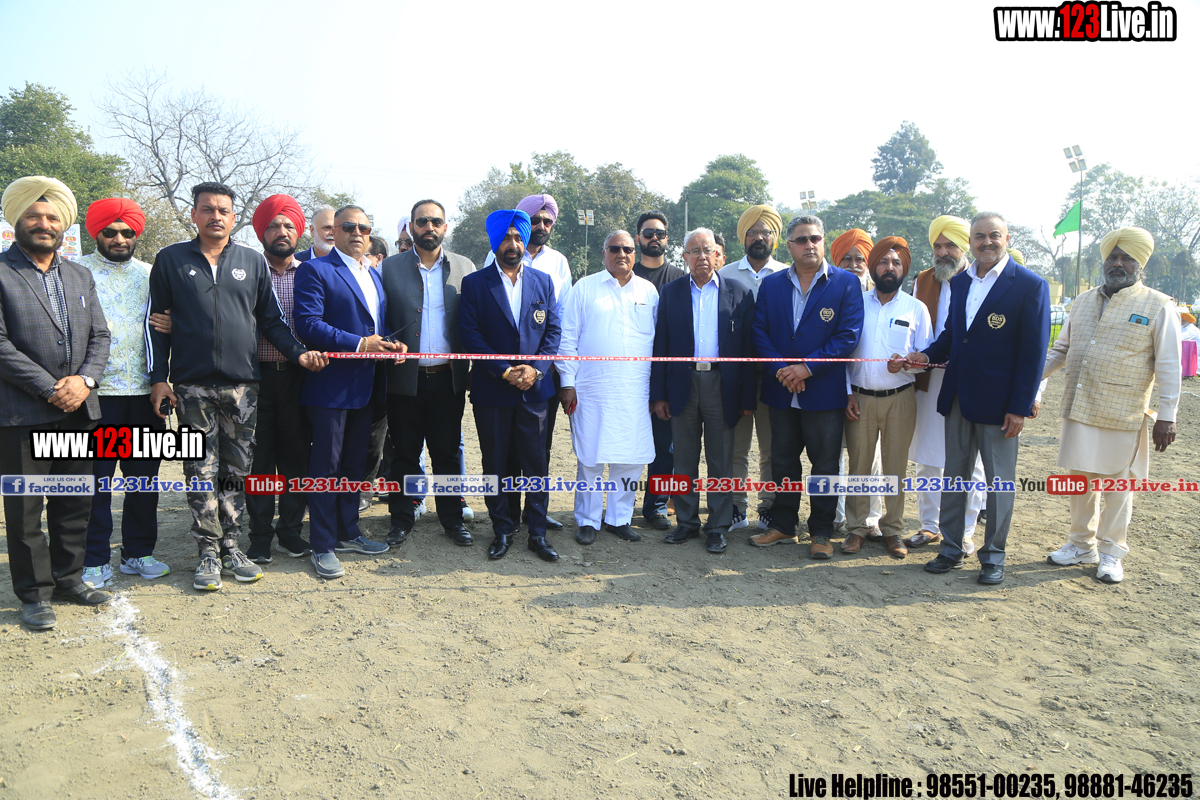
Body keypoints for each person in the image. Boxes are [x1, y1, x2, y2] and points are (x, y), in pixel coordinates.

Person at [146, 182, 328, 592]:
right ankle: (207, 553)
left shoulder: (251, 261)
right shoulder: (171, 259)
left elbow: (272, 321)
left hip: (243, 388)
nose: (215, 216)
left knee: (237, 472)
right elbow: (156, 324)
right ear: (194, 214)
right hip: (191, 388)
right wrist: (159, 378)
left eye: (223, 210)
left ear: (234, 217)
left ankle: (231, 545)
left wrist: (299, 354)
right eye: (207, 209)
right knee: (199, 471)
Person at [894, 212, 1049, 585]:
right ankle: (951, 549)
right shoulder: (961, 282)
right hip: (959, 398)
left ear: (1007, 239)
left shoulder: (1029, 285)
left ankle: (993, 556)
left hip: (1000, 406)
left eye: (994, 235)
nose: (986, 242)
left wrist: (1019, 407)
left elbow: (1034, 354)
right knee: (955, 478)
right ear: (972, 242)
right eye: (980, 236)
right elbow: (952, 335)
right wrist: (924, 356)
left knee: (998, 484)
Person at [1, 176, 112, 630]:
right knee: (25, 511)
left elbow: (100, 335)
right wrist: (50, 388)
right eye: (34, 216)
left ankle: (69, 580)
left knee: (74, 502)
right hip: (22, 413)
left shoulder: (79, 274)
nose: (44, 224)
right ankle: (34, 595)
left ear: (63, 225)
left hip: (79, 410)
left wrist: (85, 380)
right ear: (16, 221)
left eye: (51, 217)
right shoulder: (2, 272)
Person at [1041, 227, 1179, 584]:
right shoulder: (1082, 301)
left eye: (1127, 258)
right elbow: (1060, 350)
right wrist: (1023, 382)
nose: (1118, 263)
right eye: (1113, 257)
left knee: (1119, 485)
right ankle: (1080, 544)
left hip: (1124, 411)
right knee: (1079, 481)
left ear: (1140, 263)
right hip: (1079, 405)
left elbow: (1168, 366)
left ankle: (1112, 552)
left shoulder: (1159, 305)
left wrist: (1167, 416)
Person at [294, 205, 402, 579]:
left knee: (355, 465)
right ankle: (323, 545)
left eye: (364, 228)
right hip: (331, 387)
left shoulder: (372, 274)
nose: (358, 233)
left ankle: (348, 531)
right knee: (326, 467)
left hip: (368, 386)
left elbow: (376, 327)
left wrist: (391, 345)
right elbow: (308, 324)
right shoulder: (316, 269)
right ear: (333, 231)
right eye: (350, 227)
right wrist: (359, 344)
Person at [751, 215, 864, 558]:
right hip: (781, 390)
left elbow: (848, 336)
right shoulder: (772, 284)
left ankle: (821, 533)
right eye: (801, 239)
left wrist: (807, 368)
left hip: (824, 392)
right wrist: (783, 370)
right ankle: (784, 525)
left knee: (825, 466)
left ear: (823, 242)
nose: (809, 245)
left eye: (815, 238)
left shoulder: (846, 283)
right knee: (783, 462)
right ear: (789, 246)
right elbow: (759, 333)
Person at [77, 198, 172, 587]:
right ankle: (94, 559)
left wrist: (175, 323)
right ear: (95, 233)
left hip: (146, 395)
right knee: (95, 484)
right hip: (94, 395)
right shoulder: (75, 272)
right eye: (110, 232)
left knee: (143, 483)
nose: (119, 238)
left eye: (127, 232)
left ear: (136, 235)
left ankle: (138, 553)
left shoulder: (151, 274)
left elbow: (172, 322)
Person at [459, 209, 562, 561]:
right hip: (493, 389)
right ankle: (502, 529)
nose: (513, 244)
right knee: (496, 462)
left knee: (536, 463)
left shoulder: (543, 282)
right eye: (506, 238)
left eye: (518, 237)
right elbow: (470, 336)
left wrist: (536, 370)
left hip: (535, 391)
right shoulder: (475, 284)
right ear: (495, 242)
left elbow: (553, 332)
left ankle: (537, 534)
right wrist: (504, 371)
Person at [650, 228, 755, 554]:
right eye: (694, 251)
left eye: (707, 250)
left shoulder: (739, 293)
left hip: (722, 385)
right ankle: (686, 522)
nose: (701, 257)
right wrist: (659, 395)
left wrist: (747, 397)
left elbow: (749, 350)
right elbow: (661, 345)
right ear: (684, 257)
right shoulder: (671, 292)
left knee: (721, 459)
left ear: (718, 255)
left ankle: (718, 526)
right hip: (682, 384)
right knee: (683, 458)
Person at [380, 199, 475, 547]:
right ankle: (401, 519)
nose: (429, 227)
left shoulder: (464, 267)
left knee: (447, 453)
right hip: (404, 380)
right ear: (411, 227)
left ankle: (452, 520)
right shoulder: (389, 268)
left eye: (436, 221)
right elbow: (379, 318)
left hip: (448, 379)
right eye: (422, 222)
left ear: (445, 227)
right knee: (404, 453)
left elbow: (472, 319)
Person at [558, 231, 659, 544]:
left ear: (635, 253)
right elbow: (568, 337)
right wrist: (567, 382)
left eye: (627, 249)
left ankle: (619, 518)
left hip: (635, 390)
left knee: (630, 458)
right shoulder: (585, 287)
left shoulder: (648, 290)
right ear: (604, 254)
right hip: (592, 389)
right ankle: (587, 520)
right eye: (614, 249)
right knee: (590, 458)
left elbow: (658, 342)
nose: (621, 254)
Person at [483, 193, 573, 530]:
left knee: (538, 452)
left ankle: (536, 517)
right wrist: (506, 370)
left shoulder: (557, 265)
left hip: (540, 378)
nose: (542, 226)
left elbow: (558, 321)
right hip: (498, 378)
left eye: (547, 221)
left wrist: (538, 369)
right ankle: (505, 521)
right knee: (502, 454)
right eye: (535, 220)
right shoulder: (490, 262)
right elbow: (483, 324)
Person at [841, 237, 932, 558]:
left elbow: (926, 359)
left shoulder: (915, 308)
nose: (889, 268)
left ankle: (893, 530)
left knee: (895, 467)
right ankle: (856, 529)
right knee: (859, 467)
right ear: (873, 267)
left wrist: (909, 361)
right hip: (859, 398)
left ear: (903, 269)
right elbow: (843, 354)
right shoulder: (855, 303)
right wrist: (847, 393)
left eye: (896, 263)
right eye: (883, 262)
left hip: (900, 398)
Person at [906, 216, 986, 553]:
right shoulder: (924, 280)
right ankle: (930, 525)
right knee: (927, 457)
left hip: (969, 382)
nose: (942, 252)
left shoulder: (980, 280)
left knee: (970, 460)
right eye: (937, 246)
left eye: (950, 245)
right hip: (929, 380)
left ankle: (964, 531)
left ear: (965, 246)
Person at [244, 194, 317, 564]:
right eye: (273, 225)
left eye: (288, 225)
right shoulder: (246, 272)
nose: (281, 231)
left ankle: (290, 531)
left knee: (295, 458)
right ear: (261, 231)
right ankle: (259, 536)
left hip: (298, 378)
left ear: (298, 231)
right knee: (259, 461)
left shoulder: (311, 273)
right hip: (254, 380)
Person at [718, 205, 787, 532]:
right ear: (742, 237)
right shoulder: (726, 274)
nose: (759, 237)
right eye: (752, 232)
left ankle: (769, 507)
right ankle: (735, 507)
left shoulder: (788, 274)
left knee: (772, 448)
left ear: (775, 237)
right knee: (736, 446)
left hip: (777, 376)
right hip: (736, 378)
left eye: (765, 232)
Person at [828, 228, 884, 538]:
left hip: (868, 389)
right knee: (832, 454)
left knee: (868, 457)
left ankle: (870, 519)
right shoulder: (830, 295)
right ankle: (835, 515)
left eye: (859, 259)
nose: (853, 265)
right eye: (846, 259)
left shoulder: (879, 299)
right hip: (833, 386)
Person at [631, 210, 684, 530]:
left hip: (666, 376)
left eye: (660, 234)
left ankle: (657, 506)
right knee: (627, 442)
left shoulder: (679, 279)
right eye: (648, 233)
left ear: (667, 239)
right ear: (638, 237)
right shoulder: (625, 274)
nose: (654, 238)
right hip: (630, 375)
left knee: (666, 446)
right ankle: (621, 505)